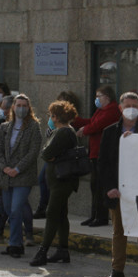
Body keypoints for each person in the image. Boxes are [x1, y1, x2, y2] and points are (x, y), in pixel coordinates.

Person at [99, 92, 138, 277]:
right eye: (127, 105)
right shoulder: (109, 132)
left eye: (134, 105)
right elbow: (103, 164)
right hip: (118, 191)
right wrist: (109, 188)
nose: (131, 108)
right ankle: (117, 270)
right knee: (118, 232)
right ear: (120, 108)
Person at [29, 100, 81, 266]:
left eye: (52, 115)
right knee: (60, 214)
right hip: (61, 180)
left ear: (56, 117)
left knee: (52, 212)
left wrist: (49, 154)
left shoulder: (63, 133)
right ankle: (62, 250)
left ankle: (43, 251)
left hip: (61, 181)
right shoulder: (65, 131)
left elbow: (46, 153)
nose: (50, 118)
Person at [0, 93, 42, 257]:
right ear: (13, 107)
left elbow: (33, 151)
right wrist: (4, 167)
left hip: (23, 176)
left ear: (29, 108)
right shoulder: (4, 127)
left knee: (16, 209)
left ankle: (15, 244)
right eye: (18, 105)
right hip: (6, 175)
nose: (21, 108)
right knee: (8, 210)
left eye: (24, 106)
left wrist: (17, 169)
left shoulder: (34, 127)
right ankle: (16, 242)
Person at [73, 86, 120, 227]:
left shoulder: (112, 110)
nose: (97, 99)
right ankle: (94, 215)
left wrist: (84, 130)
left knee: (100, 186)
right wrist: (75, 120)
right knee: (94, 186)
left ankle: (101, 216)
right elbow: (91, 122)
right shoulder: (101, 110)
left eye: (99, 96)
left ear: (107, 97)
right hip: (94, 152)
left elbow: (97, 126)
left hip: (102, 153)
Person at [34, 90, 81, 220]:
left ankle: (43, 208)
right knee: (43, 180)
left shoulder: (66, 129)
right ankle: (43, 206)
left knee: (54, 214)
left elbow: (47, 152)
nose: (52, 117)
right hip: (53, 162)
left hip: (60, 165)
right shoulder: (56, 126)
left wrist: (47, 152)